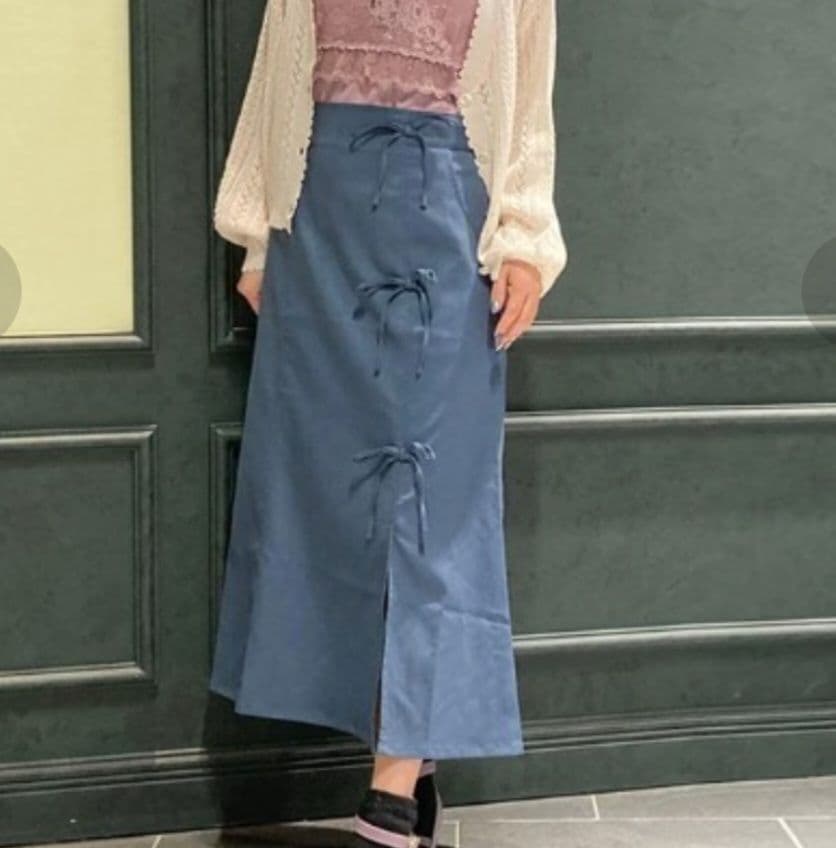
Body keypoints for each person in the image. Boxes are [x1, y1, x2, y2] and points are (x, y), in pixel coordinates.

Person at [209, 1, 568, 846]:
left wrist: (523, 237)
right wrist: (258, 240)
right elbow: (278, 73)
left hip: (450, 214)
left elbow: (528, 99)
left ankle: (393, 782)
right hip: (319, 220)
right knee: (328, 499)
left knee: (428, 500)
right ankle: (410, 744)